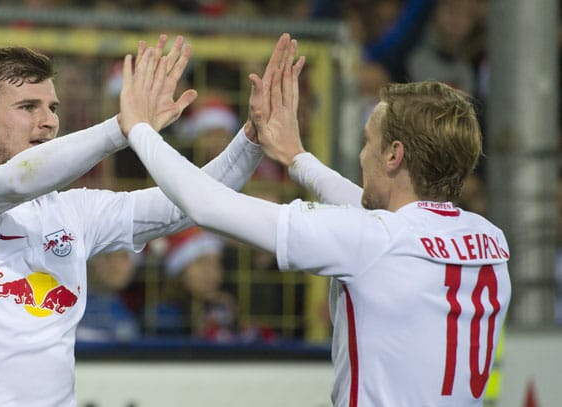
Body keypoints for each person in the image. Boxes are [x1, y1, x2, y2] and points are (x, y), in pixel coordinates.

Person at [120, 33, 511, 406]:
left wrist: (139, 127)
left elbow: (207, 205)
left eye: (368, 142)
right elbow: (377, 219)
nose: (361, 157)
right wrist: (296, 157)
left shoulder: (375, 241)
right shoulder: (490, 240)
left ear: (394, 155)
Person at [0, 34, 294, 405]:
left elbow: (186, 204)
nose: (48, 122)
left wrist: (251, 140)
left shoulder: (73, 211)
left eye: (52, 108)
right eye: (28, 107)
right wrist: (122, 127)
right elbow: (17, 178)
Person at [76, 251, 140, 342]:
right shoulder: (72, 305)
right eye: (108, 256)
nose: (116, 265)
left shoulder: (124, 308)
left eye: (124, 258)